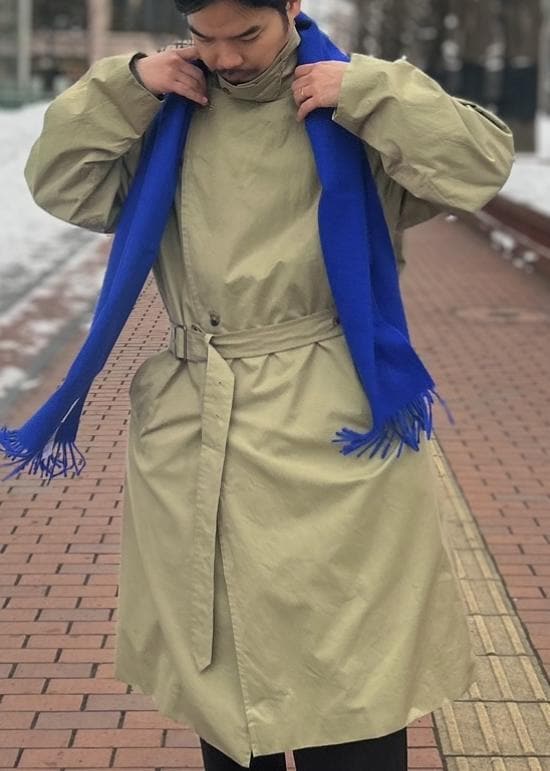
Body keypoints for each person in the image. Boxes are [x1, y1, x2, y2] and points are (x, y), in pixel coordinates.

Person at [21, 0, 514, 768]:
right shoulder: (167, 107)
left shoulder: (345, 100)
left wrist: (370, 92)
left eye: (246, 35)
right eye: (205, 36)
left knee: (348, 689)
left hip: (329, 420)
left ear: (290, 7)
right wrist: (126, 85)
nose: (224, 58)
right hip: (195, 418)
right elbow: (60, 184)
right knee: (225, 693)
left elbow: (479, 165)